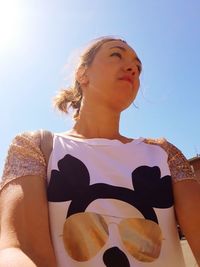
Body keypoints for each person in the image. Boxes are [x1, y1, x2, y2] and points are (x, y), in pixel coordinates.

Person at [0, 36, 199, 267]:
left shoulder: (165, 154)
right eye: (116, 54)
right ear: (82, 74)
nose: (132, 68)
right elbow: (19, 248)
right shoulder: (36, 147)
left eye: (138, 66)